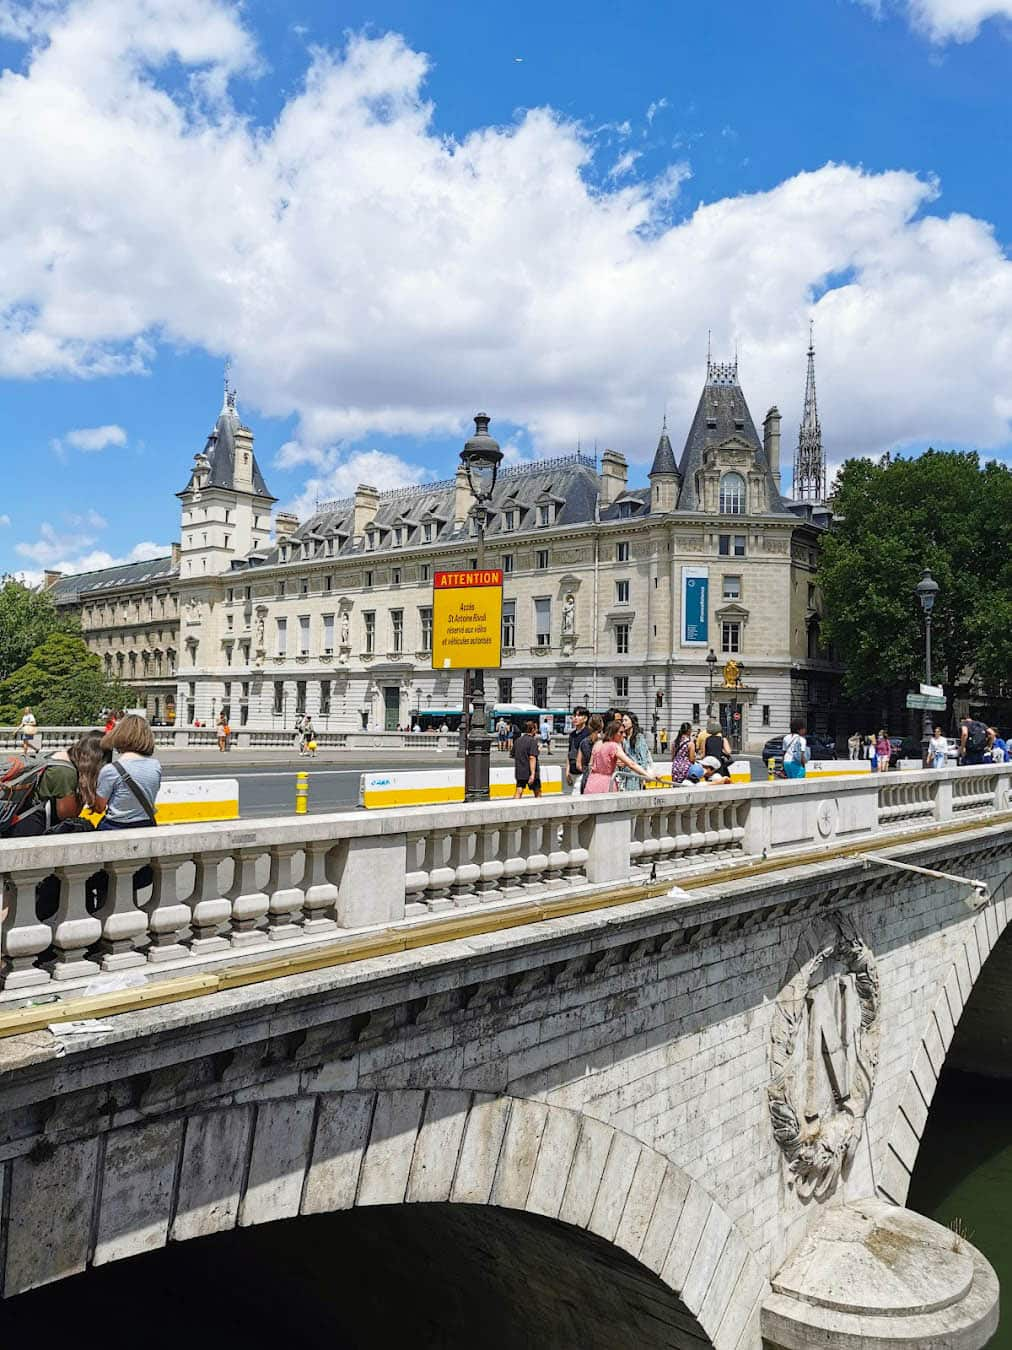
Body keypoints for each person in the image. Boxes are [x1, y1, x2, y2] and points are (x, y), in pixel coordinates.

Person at [0, 731, 107, 838]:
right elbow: (66, 814)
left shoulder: (57, 756)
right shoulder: (65, 772)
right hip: (28, 828)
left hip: (18, 821)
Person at [95, 715, 163, 830]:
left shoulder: (111, 770)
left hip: (115, 826)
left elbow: (99, 807)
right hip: (146, 826)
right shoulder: (155, 766)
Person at [583, 719, 651, 794]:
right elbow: (631, 764)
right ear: (613, 733)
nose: (624, 735)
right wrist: (647, 775)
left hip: (591, 782)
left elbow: (590, 764)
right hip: (606, 783)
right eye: (621, 732)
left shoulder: (598, 744)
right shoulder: (614, 746)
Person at [617, 712, 652, 790]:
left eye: (626, 720)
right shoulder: (624, 738)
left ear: (632, 722)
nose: (623, 723)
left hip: (635, 775)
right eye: (623, 720)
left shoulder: (639, 737)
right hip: (625, 774)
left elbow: (643, 759)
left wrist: (642, 775)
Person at [575, 714, 604, 792]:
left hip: (587, 778)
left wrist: (586, 770)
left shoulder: (583, 742)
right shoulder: (605, 741)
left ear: (589, 726)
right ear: (602, 726)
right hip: (602, 779)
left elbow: (578, 765)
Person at [513, 719, 541, 798]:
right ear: (532, 729)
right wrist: (532, 774)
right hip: (530, 771)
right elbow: (532, 757)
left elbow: (513, 754)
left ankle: (514, 805)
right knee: (537, 791)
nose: (536, 731)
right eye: (535, 729)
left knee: (519, 790)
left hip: (520, 771)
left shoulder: (517, 741)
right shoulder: (532, 741)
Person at [566, 706, 590, 790]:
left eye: (579, 715)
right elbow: (570, 753)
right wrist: (567, 772)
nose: (575, 718)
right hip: (572, 773)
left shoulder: (588, 734)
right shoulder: (572, 734)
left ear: (585, 718)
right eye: (574, 715)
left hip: (583, 773)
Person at [670, 721, 697, 786]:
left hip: (675, 767)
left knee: (676, 786)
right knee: (686, 787)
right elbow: (691, 759)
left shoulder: (674, 742)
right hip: (686, 768)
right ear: (689, 731)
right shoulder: (690, 743)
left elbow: (673, 757)